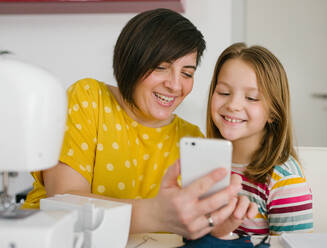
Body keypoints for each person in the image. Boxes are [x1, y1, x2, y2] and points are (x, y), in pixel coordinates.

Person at [23, 9, 257, 240]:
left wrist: (215, 225)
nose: (175, 86)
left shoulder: (191, 138)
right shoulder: (88, 98)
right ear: (130, 62)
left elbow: (192, 220)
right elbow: (63, 202)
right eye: (161, 67)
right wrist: (155, 214)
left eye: (187, 73)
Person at [205, 43, 314, 236]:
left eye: (252, 98)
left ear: (274, 113)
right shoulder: (206, 165)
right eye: (224, 92)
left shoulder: (285, 181)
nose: (233, 105)